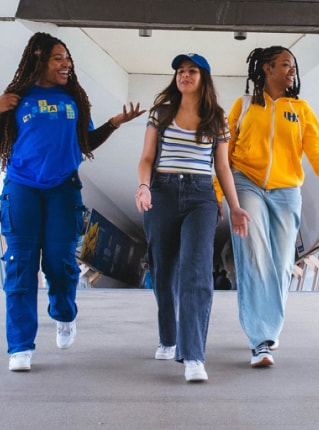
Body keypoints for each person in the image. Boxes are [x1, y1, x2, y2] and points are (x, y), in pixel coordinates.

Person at [0, 32, 145, 372]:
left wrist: (114, 123)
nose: (66, 64)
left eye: (67, 59)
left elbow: (84, 143)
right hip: (22, 188)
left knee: (59, 263)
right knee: (20, 264)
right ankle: (20, 346)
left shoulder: (73, 100)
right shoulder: (18, 98)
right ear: (39, 59)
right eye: (58, 58)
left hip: (63, 188)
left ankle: (64, 314)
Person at [224, 46, 319, 368]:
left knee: (284, 261)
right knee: (254, 254)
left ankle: (268, 323)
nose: (292, 71)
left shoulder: (301, 110)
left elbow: (318, 156)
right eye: (286, 64)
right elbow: (224, 154)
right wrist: (222, 195)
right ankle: (261, 340)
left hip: (287, 191)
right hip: (247, 183)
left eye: (294, 66)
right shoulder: (243, 106)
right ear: (267, 68)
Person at [136, 53, 250, 382]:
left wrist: (235, 206)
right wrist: (144, 187)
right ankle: (168, 337)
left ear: (204, 78)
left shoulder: (216, 118)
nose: (185, 76)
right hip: (162, 192)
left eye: (192, 71)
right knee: (163, 270)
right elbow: (145, 158)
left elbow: (223, 168)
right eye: (181, 71)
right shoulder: (161, 113)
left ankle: (194, 355)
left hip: (201, 196)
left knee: (196, 271)